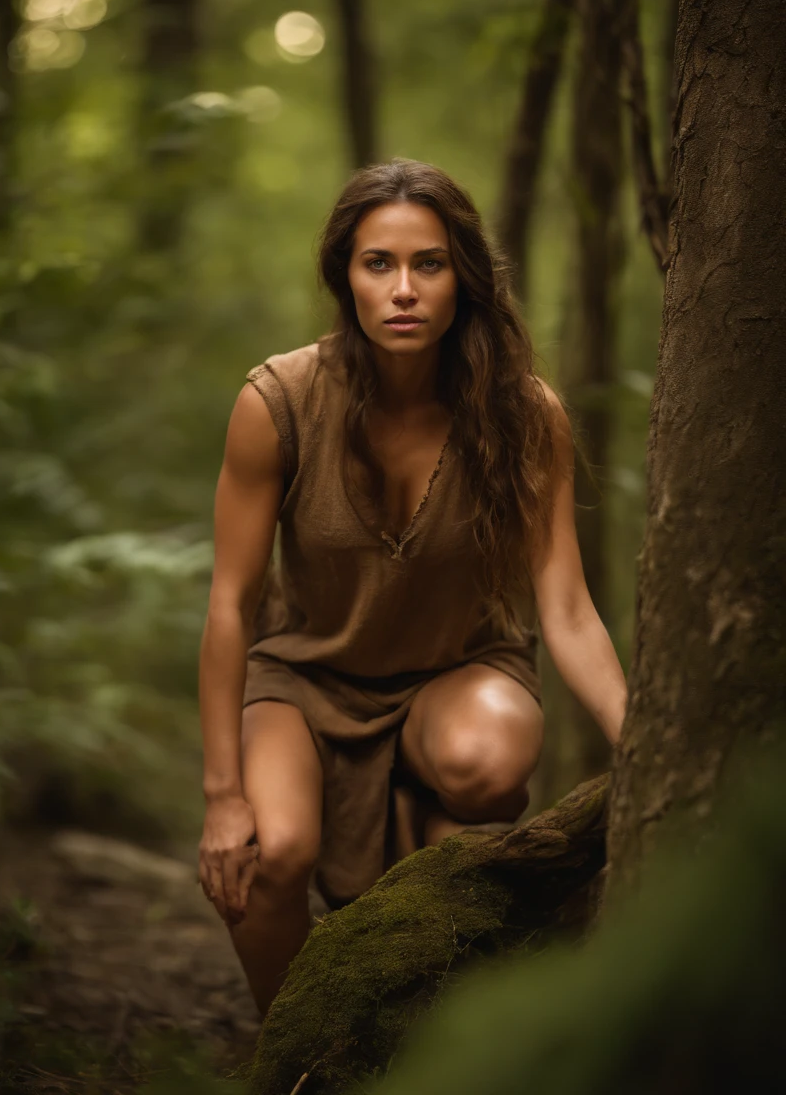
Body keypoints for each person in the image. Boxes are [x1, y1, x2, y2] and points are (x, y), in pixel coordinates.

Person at [197, 158, 627, 1016]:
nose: (403, 289)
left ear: (463, 277)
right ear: (344, 276)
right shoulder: (278, 400)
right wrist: (222, 796)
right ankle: (300, 1054)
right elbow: (229, 606)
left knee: (486, 761)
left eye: (427, 264)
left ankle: (430, 995)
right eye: (377, 263)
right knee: (270, 854)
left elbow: (567, 609)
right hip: (305, 678)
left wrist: (644, 742)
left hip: (454, 674)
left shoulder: (523, 413)